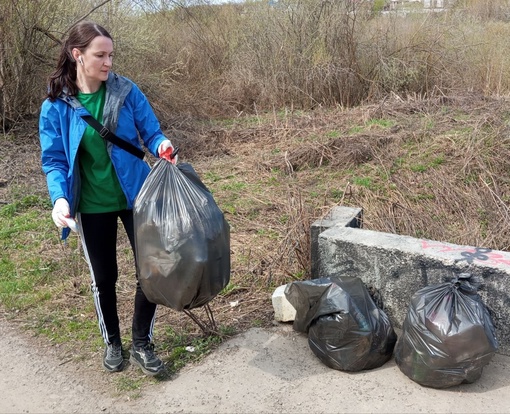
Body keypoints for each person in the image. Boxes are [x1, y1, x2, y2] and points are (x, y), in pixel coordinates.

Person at [38, 21, 176, 376]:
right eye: (100, 55)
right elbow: (54, 160)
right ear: (77, 55)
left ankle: (142, 341)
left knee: (152, 270)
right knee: (104, 278)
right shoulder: (56, 107)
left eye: (111, 55)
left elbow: (152, 132)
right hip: (91, 205)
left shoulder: (127, 92)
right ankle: (113, 341)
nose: (108, 62)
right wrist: (59, 199)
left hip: (137, 198)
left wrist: (161, 145)